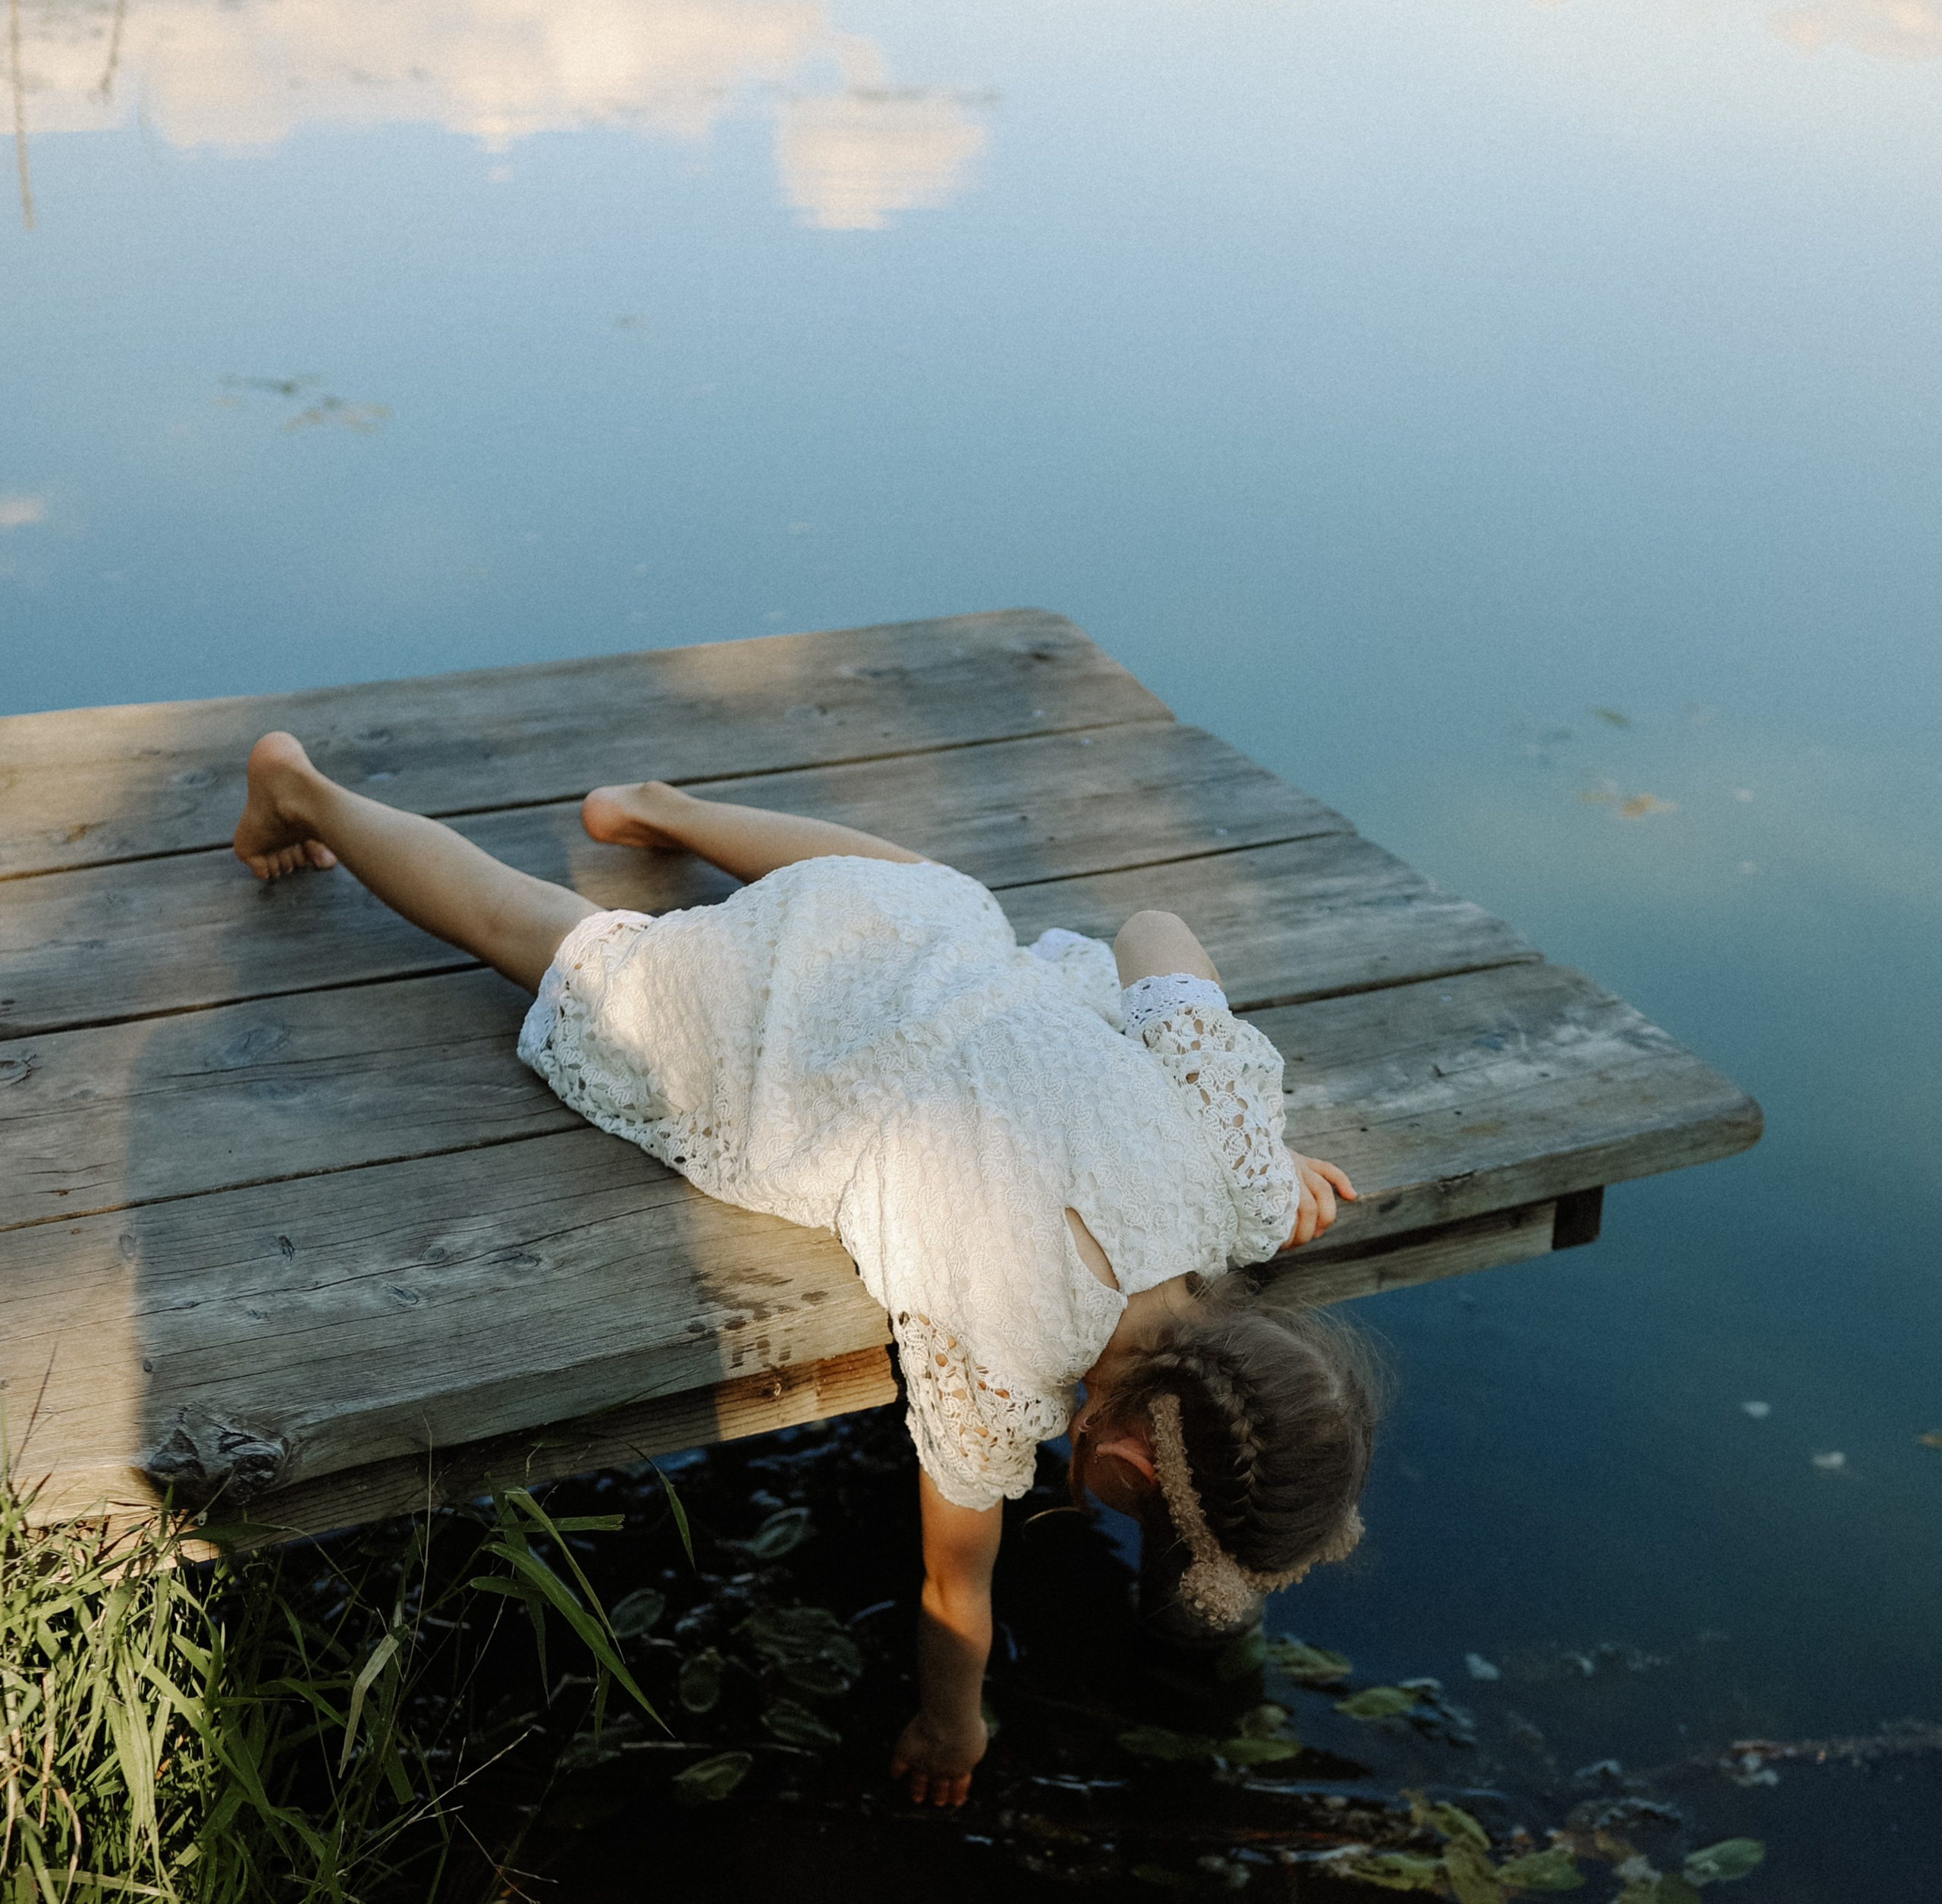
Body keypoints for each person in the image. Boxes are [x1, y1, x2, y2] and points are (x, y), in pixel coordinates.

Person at [233, 734, 1377, 1807]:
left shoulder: (1240, 1175)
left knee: (916, 896)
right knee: (532, 930)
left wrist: (1260, 1148)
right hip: (791, 1038)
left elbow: (1155, 926)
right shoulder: (1007, 1352)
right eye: (1144, 1517)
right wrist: (951, 1725)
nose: (1128, 1525)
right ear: (1126, 1457)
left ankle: (659, 810)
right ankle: (305, 790)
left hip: (906, 935)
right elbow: (952, 1592)